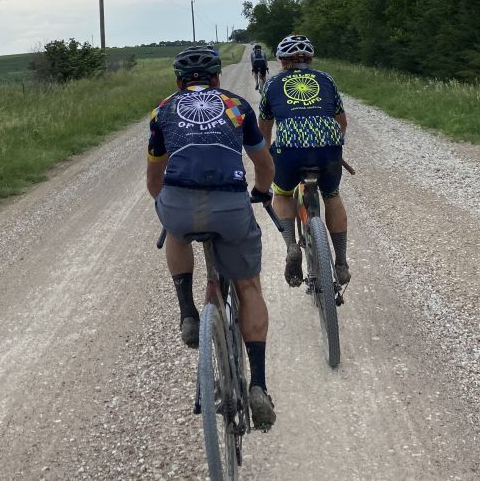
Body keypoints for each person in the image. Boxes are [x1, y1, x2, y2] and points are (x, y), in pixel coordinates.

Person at [147, 45, 278, 431]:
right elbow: (264, 165)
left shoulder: (162, 110)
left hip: (179, 204)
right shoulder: (236, 106)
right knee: (249, 287)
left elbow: (154, 180)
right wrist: (261, 192)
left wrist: (166, 206)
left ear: (178, 82)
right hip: (230, 206)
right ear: (218, 78)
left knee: (175, 229)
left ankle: (188, 311)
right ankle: (258, 385)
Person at [258, 35, 351, 286]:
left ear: (281, 60)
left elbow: (264, 130)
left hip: (289, 150)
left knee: (283, 194)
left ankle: (291, 246)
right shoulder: (326, 80)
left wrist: (266, 156)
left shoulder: (271, 84)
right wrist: (334, 144)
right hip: (329, 148)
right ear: (310, 59)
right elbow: (342, 122)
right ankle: (341, 263)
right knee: (332, 195)